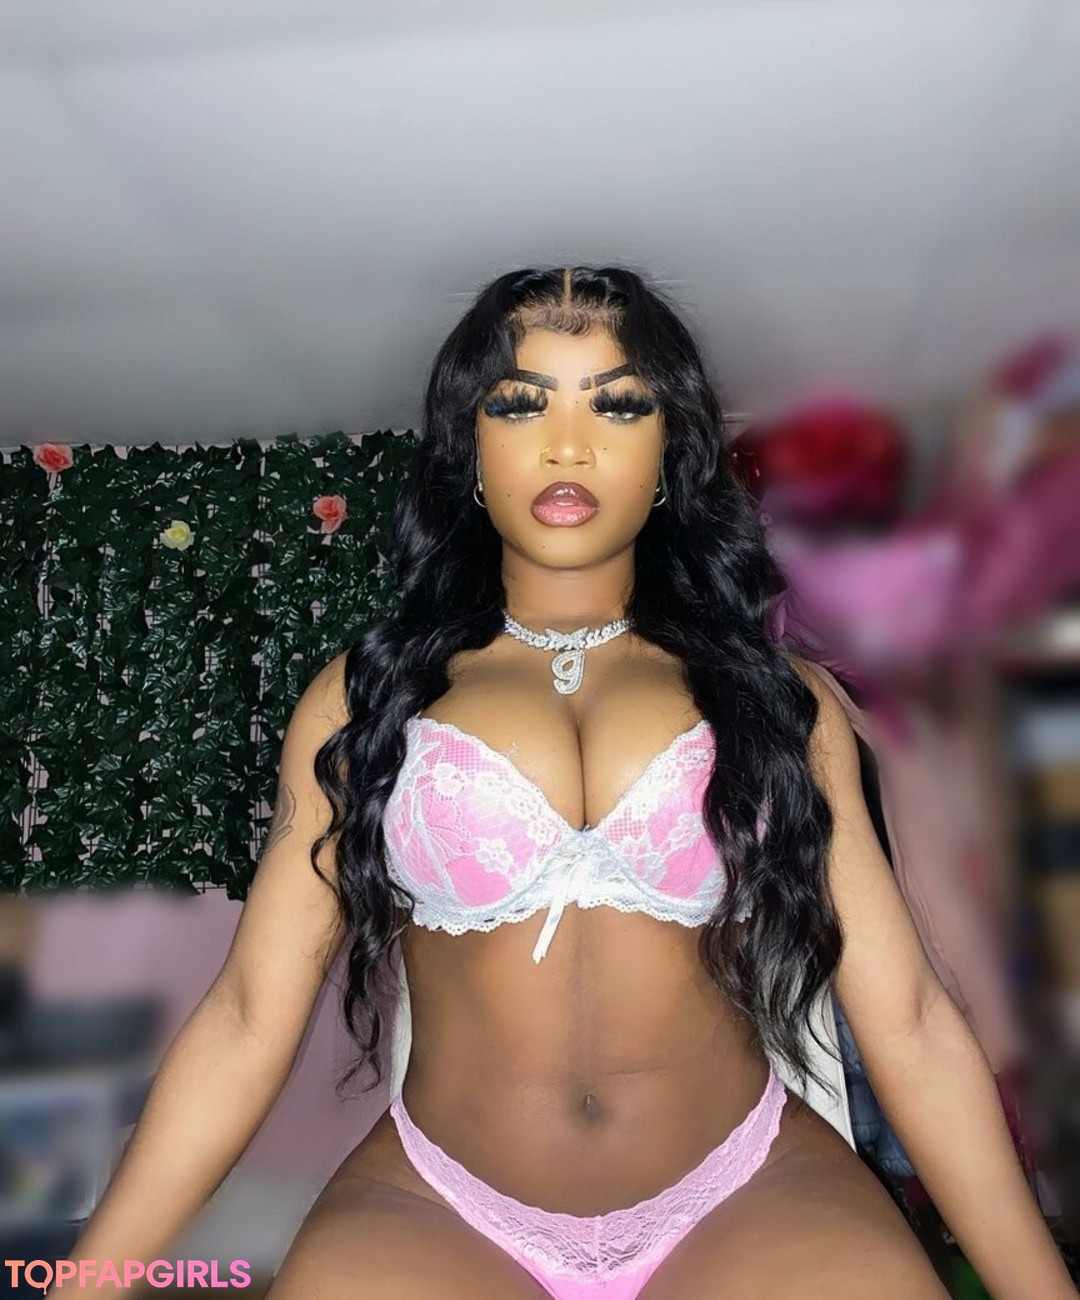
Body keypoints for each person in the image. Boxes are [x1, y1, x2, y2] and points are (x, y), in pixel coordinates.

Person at [65, 266, 1075, 1300]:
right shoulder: (363, 699)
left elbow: (908, 1017)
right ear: (471, 449)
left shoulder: (778, 698)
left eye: (618, 404)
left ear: (669, 453)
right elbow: (247, 1016)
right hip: (438, 1209)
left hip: (748, 1192)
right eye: (521, 403)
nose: (567, 443)